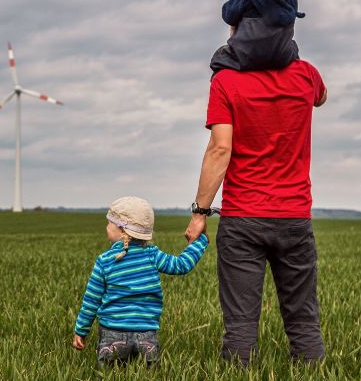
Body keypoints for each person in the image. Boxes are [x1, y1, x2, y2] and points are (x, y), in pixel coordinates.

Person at [184, 53, 328, 365]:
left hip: (242, 219)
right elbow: (321, 97)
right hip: (294, 217)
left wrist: (200, 213)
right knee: (303, 318)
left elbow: (220, 148)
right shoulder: (307, 75)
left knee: (240, 322)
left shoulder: (225, 80)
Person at [71, 196, 209, 366]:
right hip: (147, 336)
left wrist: (81, 331)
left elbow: (91, 301)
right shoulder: (152, 255)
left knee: (110, 375)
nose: (107, 227)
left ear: (122, 230)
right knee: (147, 374)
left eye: (109, 223)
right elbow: (181, 265)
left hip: (112, 334)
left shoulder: (105, 260)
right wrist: (200, 241)